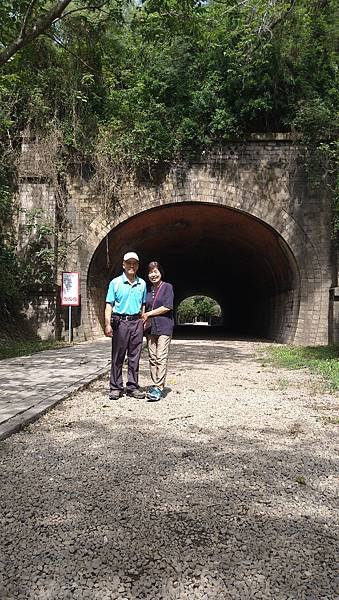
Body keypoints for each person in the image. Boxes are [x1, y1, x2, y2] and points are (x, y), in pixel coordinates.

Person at [104, 252, 146, 400]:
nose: (131, 265)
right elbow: (109, 304)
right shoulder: (115, 283)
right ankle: (115, 387)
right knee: (118, 356)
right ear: (123, 265)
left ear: (138, 266)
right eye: (129, 263)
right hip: (120, 322)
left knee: (135, 357)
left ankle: (132, 387)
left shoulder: (142, 284)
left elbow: (143, 304)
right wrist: (107, 324)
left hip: (136, 322)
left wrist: (143, 319)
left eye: (134, 263)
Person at [142, 261, 174, 401]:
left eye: (155, 271)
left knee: (161, 357)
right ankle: (155, 384)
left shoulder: (167, 287)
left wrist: (148, 314)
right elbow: (143, 306)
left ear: (160, 273)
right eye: (150, 272)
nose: (153, 274)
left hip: (164, 326)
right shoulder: (148, 290)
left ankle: (158, 387)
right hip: (150, 328)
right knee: (152, 357)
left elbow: (167, 306)